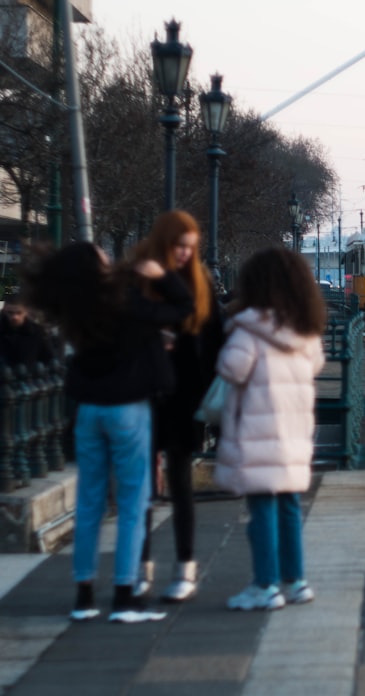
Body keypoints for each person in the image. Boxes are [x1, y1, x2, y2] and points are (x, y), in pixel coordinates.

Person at [20, 242, 194, 623]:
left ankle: (84, 596)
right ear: (96, 266)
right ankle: (124, 595)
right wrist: (161, 276)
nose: (108, 256)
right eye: (102, 254)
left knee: (89, 503)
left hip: (89, 410)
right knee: (133, 503)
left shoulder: (76, 308)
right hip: (128, 409)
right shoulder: (127, 301)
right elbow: (183, 308)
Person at [213, 246, 326, 611]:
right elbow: (315, 366)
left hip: (258, 438)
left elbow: (231, 370)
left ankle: (265, 585)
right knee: (290, 508)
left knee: (261, 513)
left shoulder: (250, 331)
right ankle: (296, 582)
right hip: (294, 436)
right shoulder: (304, 331)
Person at [130, 210, 224, 603]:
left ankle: (184, 566)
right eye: (178, 246)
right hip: (142, 395)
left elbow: (215, 341)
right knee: (142, 487)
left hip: (186, 398)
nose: (184, 254)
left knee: (181, 482)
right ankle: (139, 567)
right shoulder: (139, 278)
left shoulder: (200, 285)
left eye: (190, 247)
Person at [0, 292, 56, 367]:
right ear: (4, 310)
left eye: (19, 313)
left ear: (25, 312)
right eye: (10, 313)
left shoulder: (38, 331)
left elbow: (49, 359)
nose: (15, 317)